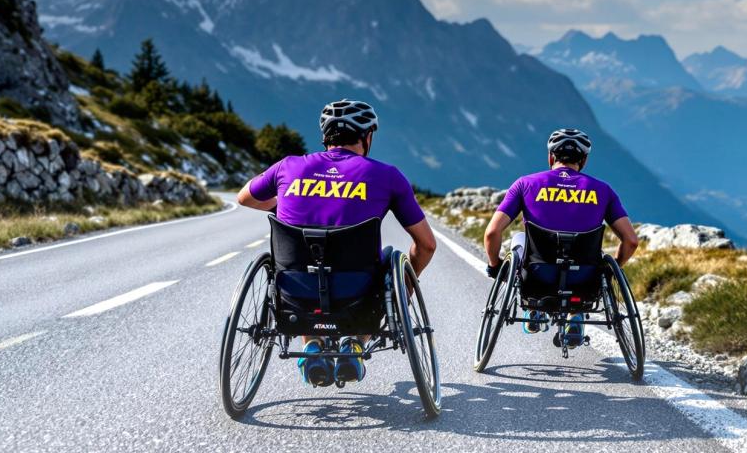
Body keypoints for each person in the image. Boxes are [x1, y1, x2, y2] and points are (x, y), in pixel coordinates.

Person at [236, 99, 436, 387]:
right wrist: (404, 290)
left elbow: (244, 197)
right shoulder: (387, 176)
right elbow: (427, 245)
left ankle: (312, 346)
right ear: (367, 137)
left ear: (325, 135)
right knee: (388, 257)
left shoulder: (288, 166)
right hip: (358, 292)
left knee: (306, 264)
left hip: (294, 290)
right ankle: (354, 345)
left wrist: (286, 205)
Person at [482, 128, 640, 347]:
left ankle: (534, 311)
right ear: (583, 160)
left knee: (520, 237)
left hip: (537, 277)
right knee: (596, 257)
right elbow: (631, 241)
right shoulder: (603, 190)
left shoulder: (525, 184)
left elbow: (491, 233)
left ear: (550, 157)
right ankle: (575, 314)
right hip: (585, 279)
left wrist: (495, 266)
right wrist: (608, 272)